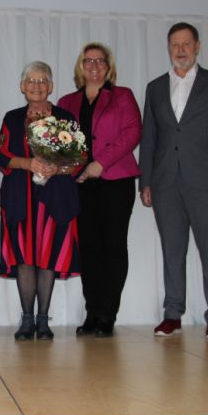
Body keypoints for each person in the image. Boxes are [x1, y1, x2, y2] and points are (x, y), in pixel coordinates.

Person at [139, 22, 208, 339]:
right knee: (172, 250)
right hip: (165, 182)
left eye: (186, 44)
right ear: (168, 48)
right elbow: (149, 138)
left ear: (197, 46)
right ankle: (173, 314)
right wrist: (145, 182)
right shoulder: (155, 88)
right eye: (174, 44)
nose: (180, 50)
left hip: (206, 182)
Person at [58, 42, 142, 338]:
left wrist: (99, 164)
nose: (94, 66)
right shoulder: (67, 101)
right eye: (88, 61)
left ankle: (108, 314)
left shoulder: (123, 96)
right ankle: (92, 312)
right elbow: (61, 141)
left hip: (116, 182)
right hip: (80, 185)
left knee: (114, 247)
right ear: (80, 66)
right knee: (89, 249)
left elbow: (133, 132)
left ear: (109, 66)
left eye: (100, 61)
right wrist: (74, 169)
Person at [0, 61, 80, 341]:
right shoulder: (11, 118)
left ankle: (43, 320)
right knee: (24, 259)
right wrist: (28, 163)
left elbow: (79, 157)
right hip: (20, 196)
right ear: (22, 86)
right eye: (31, 81)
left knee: (47, 258)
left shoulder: (66, 117)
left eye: (42, 80)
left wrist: (59, 168)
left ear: (51, 86)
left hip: (54, 197)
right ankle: (26, 320)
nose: (37, 85)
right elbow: (2, 156)